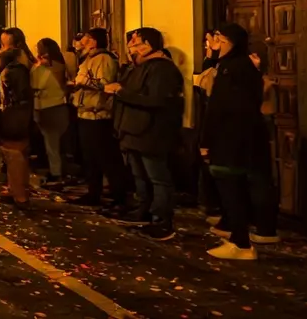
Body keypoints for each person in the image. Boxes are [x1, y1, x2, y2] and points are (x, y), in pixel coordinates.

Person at [201, 23, 277, 260]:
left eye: (220, 40)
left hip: (230, 138)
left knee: (231, 190)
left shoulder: (232, 68)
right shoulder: (241, 67)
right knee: (235, 188)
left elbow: (219, 107)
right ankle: (238, 237)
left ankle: (241, 243)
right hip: (239, 137)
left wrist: (206, 140)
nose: (216, 45)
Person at [107, 27, 185, 241]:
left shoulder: (161, 69)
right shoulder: (139, 67)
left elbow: (156, 100)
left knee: (158, 177)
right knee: (140, 175)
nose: (131, 46)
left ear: (148, 45)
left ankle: (162, 220)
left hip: (151, 131)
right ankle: (143, 210)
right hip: (133, 130)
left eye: (135, 42)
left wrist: (120, 91)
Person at [68, 28, 131, 208]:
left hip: (98, 114)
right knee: (90, 157)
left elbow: (104, 84)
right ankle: (93, 193)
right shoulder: (88, 59)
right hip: (85, 112)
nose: (82, 43)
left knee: (105, 157)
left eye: (86, 39)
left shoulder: (103, 59)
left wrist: (81, 83)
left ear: (94, 42)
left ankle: (118, 196)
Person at [32, 38, 71, 187]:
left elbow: (37, 84)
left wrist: (36, 67)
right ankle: (60, 171)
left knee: (52, 144)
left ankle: (56, 173)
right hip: (60, 105)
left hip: (48, 107)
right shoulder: (60, 64)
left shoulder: (46, 68)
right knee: (57, 143)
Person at [0, 62, 34, 208]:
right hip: (23, 118)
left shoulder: (12, 104)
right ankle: (18, 191)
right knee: (21, 157)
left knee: (14, 157)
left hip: (13, 120)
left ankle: (20, 196)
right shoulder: (27, 99)